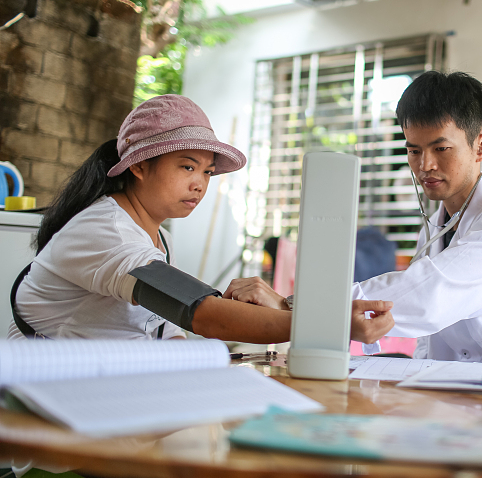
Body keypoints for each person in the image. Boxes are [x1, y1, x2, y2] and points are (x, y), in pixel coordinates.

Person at [8, 95, 393, 344]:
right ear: (139, 165)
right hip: (53, 417)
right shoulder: (102, 230)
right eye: (187, 166)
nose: (199, 184)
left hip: (108, 394)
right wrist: (329, 325)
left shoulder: (159, 238)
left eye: (207, 172)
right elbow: (197, 311)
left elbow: (169, 329)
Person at [352, 71, 482, 370]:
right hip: (452, 396)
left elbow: (430, 294)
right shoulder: (434, 229)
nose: (425, 165)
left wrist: (304, 306)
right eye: (414, 150)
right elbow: (430, 337)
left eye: (441, 148)